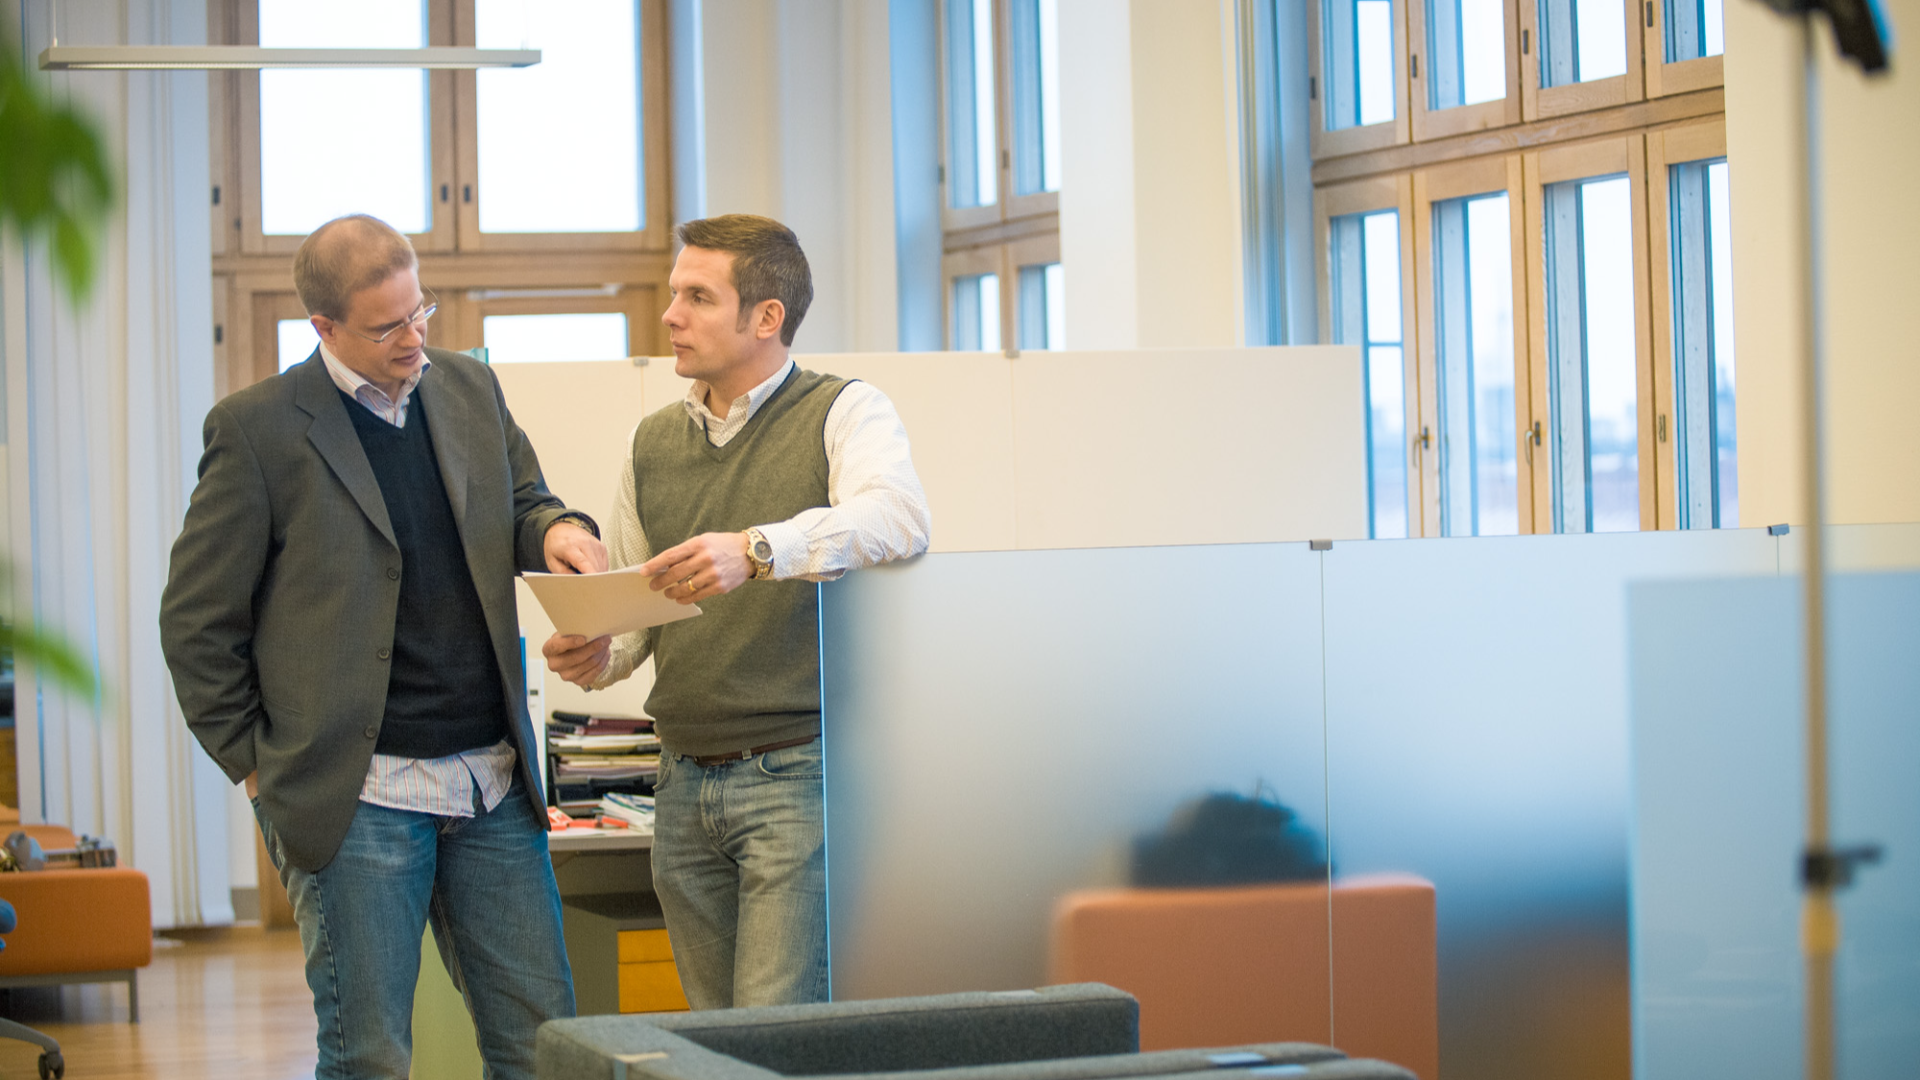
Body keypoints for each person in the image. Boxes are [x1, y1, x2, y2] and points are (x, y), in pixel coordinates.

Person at [160, 214, 604, 1080]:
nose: (414, 338)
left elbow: (523, 500)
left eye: (420, 311)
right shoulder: (258, 430)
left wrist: (558, 531)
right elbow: (196, 621)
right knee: (370, 1057)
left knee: (546, 1047)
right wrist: (258, 769)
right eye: (387, 326)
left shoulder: (469, 388)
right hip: (357, 793)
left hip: (490, 782)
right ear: (324, 327)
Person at [543, 214, 931, 1009]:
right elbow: (642, 609)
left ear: (766, 317)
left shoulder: (844, 410)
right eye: (673, 294)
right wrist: (599, 654)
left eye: (697, 297)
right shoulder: (651, 441)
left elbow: (897, 517)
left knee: (774, 1034)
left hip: (794, 775)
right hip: (680, 782)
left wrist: (755, 549)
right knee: (716, 1042)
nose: (670, 316)